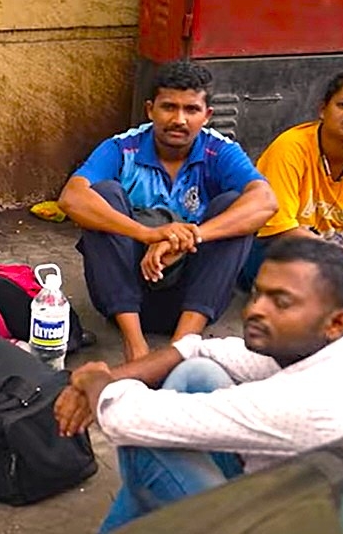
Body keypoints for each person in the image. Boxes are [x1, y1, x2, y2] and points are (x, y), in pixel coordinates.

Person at [53, 237, 343, 532]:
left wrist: (95, 381)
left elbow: (129, 418)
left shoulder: (307, 400)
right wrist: (107, 379)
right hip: (294, 499)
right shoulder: (334, 352)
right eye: (257, 294)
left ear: (336, 322)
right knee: (197, 374)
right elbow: (197, 348)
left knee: (147, 443)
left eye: (281, 303)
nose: (255, 311)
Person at [58, 60, 277, 362]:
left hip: (194, 299)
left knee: (233, 205)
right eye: (169, 107)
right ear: (150, 110)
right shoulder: (123, 147)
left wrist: (190, 238)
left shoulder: (219, 150)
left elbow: (266, 201)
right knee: (103, 195)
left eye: (191, 110)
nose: (179, 119)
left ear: (207, 115)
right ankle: (135, 348)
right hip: (126, 295)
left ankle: (179, 348)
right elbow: (72, 198)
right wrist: (148, 234)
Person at [239, 70, 343, 293]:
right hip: (275, 248)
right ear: (323, 110)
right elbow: (280, 233)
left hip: (332, 242)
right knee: (291, 276)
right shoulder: (290, 149)